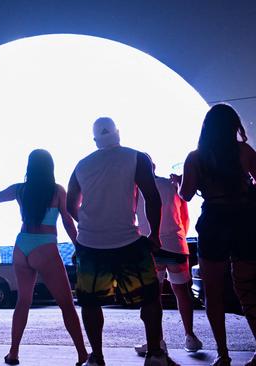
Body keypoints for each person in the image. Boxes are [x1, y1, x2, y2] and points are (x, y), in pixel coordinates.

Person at [67, 117, 177, 366]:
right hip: (128, 240)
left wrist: (90, 221)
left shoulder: (81, 165)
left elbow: (70, 204)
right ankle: (155, 355)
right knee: (150, 298)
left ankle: (96, 357)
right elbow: (152, 197)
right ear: (118, 133)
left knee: (91, 303)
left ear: (95, 140)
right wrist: (155, 235)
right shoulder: (137, 157)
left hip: (90, 243)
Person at [179, 104, 256, 366]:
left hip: (214, 221)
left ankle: (223, 355)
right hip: (244, 220)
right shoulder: (245, 151)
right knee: (245, 287)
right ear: (234, 126)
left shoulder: (196, 157)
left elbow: (185, 195)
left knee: (214, 292)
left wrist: (181, 185)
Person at [0, 149, 88, 366]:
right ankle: (82, 354)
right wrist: (79, 246)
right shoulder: (57, 191)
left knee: (23, 301)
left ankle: (13, 353)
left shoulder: (21, 190)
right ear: (50, 167)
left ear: (29, 167)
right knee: (66, 304)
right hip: (45, 246)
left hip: (22, 246)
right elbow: (67, 221)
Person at [133, 158, 202, 356]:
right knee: (182, 292)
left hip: (150, 248)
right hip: (176, 246)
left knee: (153, 297)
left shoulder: (135, 191)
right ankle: (190, 336)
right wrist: (178, 237)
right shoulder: (171, 185)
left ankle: (157, 341)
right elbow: (185, 216)